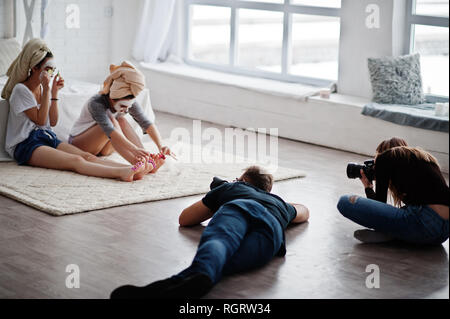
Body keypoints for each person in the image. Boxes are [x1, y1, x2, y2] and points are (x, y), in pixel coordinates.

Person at [110, 166, 310, 299]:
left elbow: (185, 219)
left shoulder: (233, 188)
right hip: (273, 229)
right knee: (230, 261)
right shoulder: (280, 203)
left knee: (221, 243)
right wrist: (282, 207)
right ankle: (165, 288)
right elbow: (304, 211)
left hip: (240, 207)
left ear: (244, 180)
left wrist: (218, 199)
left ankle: (175, 283)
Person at [2, 38, 149, 182]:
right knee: (76, 161)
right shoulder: (20, 90)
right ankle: (121, 173)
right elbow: (40, 121)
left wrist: (54, 93)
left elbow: (52, 122)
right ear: (34, 68)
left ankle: (131, 168)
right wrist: (47, 89)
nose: (51, 74)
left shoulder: (42, 88)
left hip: (45, 136)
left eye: (52, 70)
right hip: (25, 144)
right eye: (47, 70)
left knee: (87, 156)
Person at [337, 137, 449, 245]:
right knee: (404, 212)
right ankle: (393, 235)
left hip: (425, 223)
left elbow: (378, 211)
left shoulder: (385, 158)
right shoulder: (424, 159)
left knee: (344, 202)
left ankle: (390, 234)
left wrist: (368, 187)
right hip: (442, 234)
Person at [69, 61, 173, 174]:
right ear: (112, 99)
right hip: (80, 144)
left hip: (103, 148)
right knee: (113, 121)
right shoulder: (96, 103)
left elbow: (146, 123)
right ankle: (137, 162)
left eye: (128, 106)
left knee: (122, 120)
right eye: (123, 106)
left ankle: (146, 159)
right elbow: (111, 132)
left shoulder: (127, 100)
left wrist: (160, 146)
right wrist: (134, 149)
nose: (126, 110)